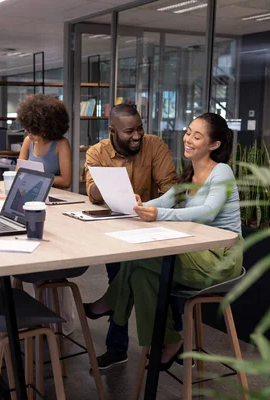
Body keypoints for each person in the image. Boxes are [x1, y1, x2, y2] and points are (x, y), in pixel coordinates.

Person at [85, 113, 242, 369]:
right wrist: (134, 205)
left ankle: (109, 303)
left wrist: (159, 214)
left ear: (215, 145)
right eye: (189, 131)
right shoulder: (190, 172)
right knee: (140, 276)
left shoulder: (221, 172)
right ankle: (170, 341)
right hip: (194, 253)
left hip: (219, 259)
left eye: (197, 136)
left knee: (141, 258)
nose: (188, 139)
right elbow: (163, 201)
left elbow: (207, 212)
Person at [85, 103, 178, 369]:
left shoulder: (155, 145)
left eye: (139, 128)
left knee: (157, 280)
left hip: (155, 225)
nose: (137, 136)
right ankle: (118, 348)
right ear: (112, 131)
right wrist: (110, 189)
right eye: (129, 132)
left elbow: (170, 188)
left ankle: (173, 345)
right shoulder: (97, 152)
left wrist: (146, 205)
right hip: (115, 229)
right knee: (119, 274)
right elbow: (91, 191)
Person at [17, 94, 72, 189]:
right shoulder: (28, 142)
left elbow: (66, 181)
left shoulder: (61, 144)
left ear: (47, 127)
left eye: (34, 130)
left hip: (55, 194)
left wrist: (37, 177)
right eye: (27, 129)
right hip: (29, 190)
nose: (29, 133)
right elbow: (18, 171)